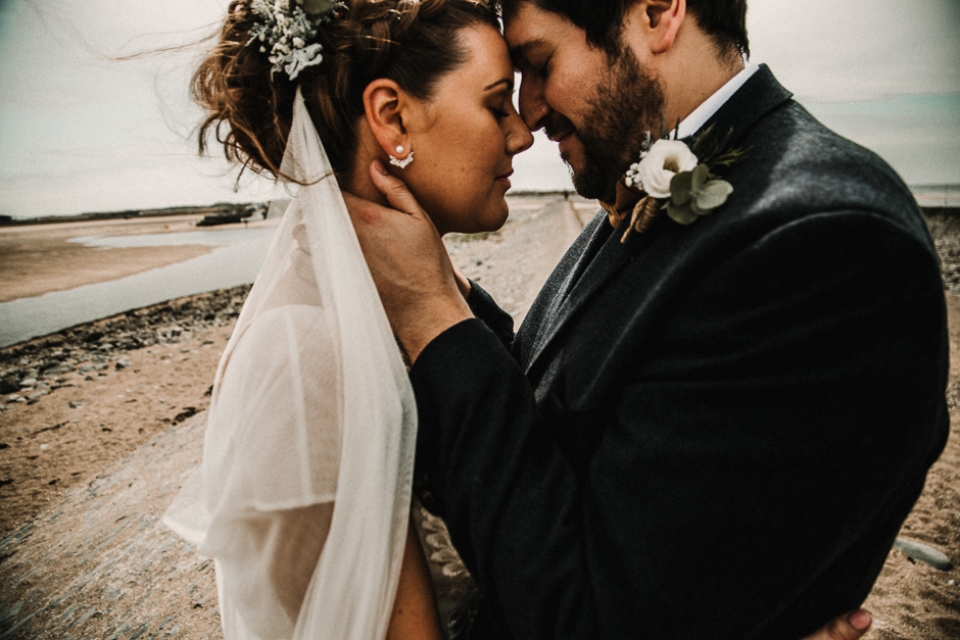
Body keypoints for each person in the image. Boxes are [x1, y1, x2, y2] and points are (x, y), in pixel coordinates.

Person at [345, 0, 950, 638]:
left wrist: (434, 319)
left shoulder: (828, 247)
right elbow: (558, 414)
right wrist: (449, 294)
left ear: (659, 13)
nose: (529, 110)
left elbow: (594, 621)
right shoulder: (640, 174)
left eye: (540, 62)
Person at [163, 1, 532, 638]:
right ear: (393, 118)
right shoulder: (303, 353)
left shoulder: (440, 291)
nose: (522, 133)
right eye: (497, 105)